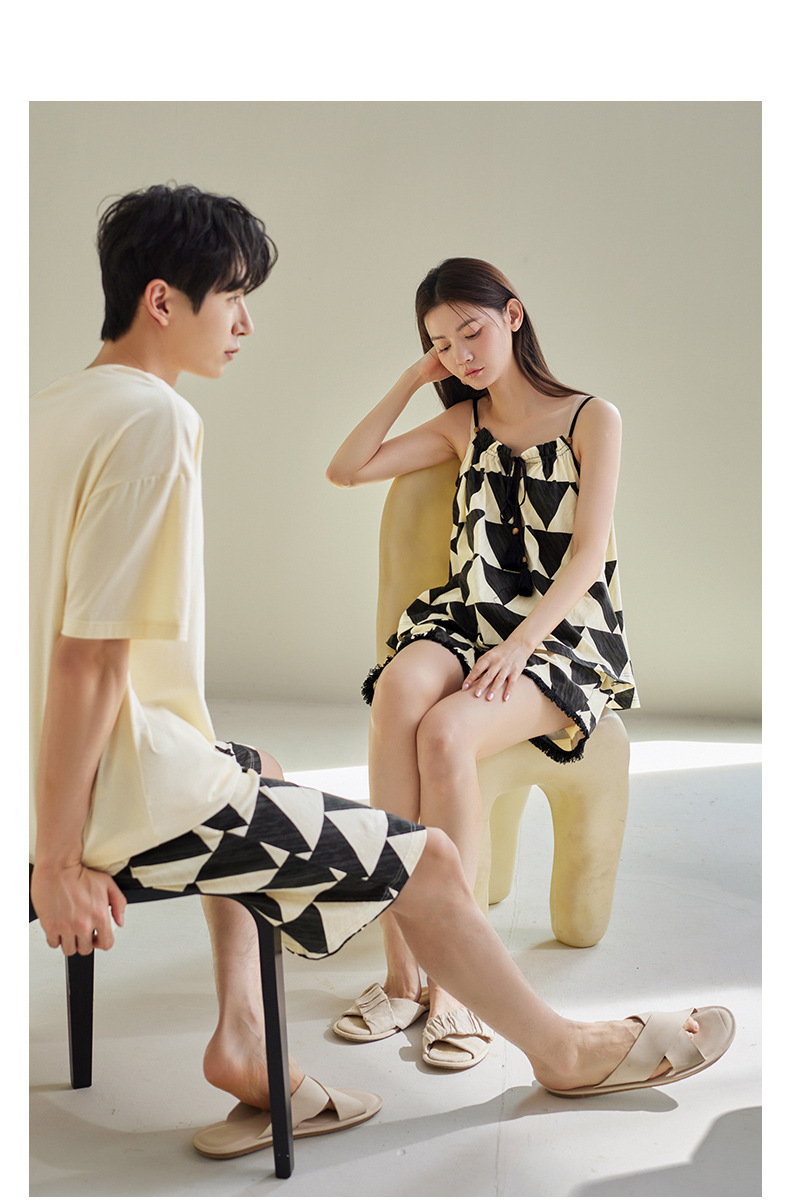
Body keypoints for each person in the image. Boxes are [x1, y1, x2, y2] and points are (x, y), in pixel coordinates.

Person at [30, 190, 733, 1163]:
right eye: (232, 296)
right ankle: (564, 1050)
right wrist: (59, 859)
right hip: (129, 791)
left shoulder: (49, 408)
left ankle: (244, 1041)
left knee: (261, 763)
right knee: (430, 858)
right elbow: (89, 656)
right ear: (161, 299)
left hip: (62, 763)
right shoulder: (156, 420)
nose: (245, 322)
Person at [326, 258, 639, 1069]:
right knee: (398, 693)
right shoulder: (462, 424)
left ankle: (455, 988)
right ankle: (403, 974)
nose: (460, 354)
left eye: (471, 331)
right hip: (468, 620)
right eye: (441, 343)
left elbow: (586, 558)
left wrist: (521, 643)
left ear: (514, 316)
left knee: (446, 733)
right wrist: (411, 379)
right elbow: (346, 468)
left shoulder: (591, 417)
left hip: (561, 636)